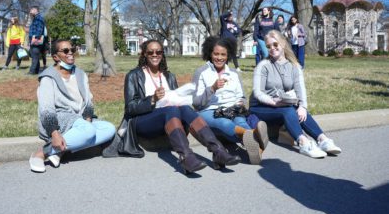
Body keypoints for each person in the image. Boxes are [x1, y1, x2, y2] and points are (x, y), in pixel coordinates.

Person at [124, 39, 240, 174]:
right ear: (144, 54)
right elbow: (130, 108)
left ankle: (218, 151)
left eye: (159, 52)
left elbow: (176, 100)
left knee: (183, 107)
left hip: (168, 118)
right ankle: (186, 156)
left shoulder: (169, 76)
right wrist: (153, 99)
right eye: (150, 52)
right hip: (142, 121)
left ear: (162, 54)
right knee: (172, 109)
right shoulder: (133, 75)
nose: (155, 55)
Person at [249, 30, 341, 158]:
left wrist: (303, 106)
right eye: (268, 46)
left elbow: (300, 89)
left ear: (283, 43)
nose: (272, 48)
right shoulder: (263, 66)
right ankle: (303, 143)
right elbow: (258, 93)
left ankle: (322, 139)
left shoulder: (294, 66)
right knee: (288, 110)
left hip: (280, 103)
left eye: (275, 44)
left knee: (297, 109)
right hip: (260, 107)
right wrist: (274, 102)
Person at [29, 39, 116, 173]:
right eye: (65, 51)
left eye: (72, 50)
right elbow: (46, 109)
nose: (70, 53)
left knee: (109, 129)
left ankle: (60, 152)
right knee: (88, 131)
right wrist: (55, 133)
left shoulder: (80, 74)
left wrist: (87, 121)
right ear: (55, 57)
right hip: (58, 118)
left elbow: (88, 101)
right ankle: (41, 153)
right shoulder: (48, 77)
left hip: (79, 120)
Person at [192, 36, 269, 164]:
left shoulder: (233, 73)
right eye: (216, 54)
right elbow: (196, 103)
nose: (219, 58)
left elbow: (242, 97)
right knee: (223, 123)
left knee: (240, 121)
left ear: (228, 56)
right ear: (210, 53)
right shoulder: (201, 72)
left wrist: (241, 103)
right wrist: (212, 88)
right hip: (209, 111)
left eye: (223, 54)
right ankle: (254, 135)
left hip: (232, 108)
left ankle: (255, 148)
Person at [27, 6, 45, 75]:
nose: (30, 11)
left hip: (36, 39)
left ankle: (31, 71)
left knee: (34, 55)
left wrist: (35, 38)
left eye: (31, 10)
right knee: (34, 55)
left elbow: (39, 30)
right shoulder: (35, 18)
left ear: (35, 10)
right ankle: (36, 71)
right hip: (33, 39)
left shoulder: (39, 18)